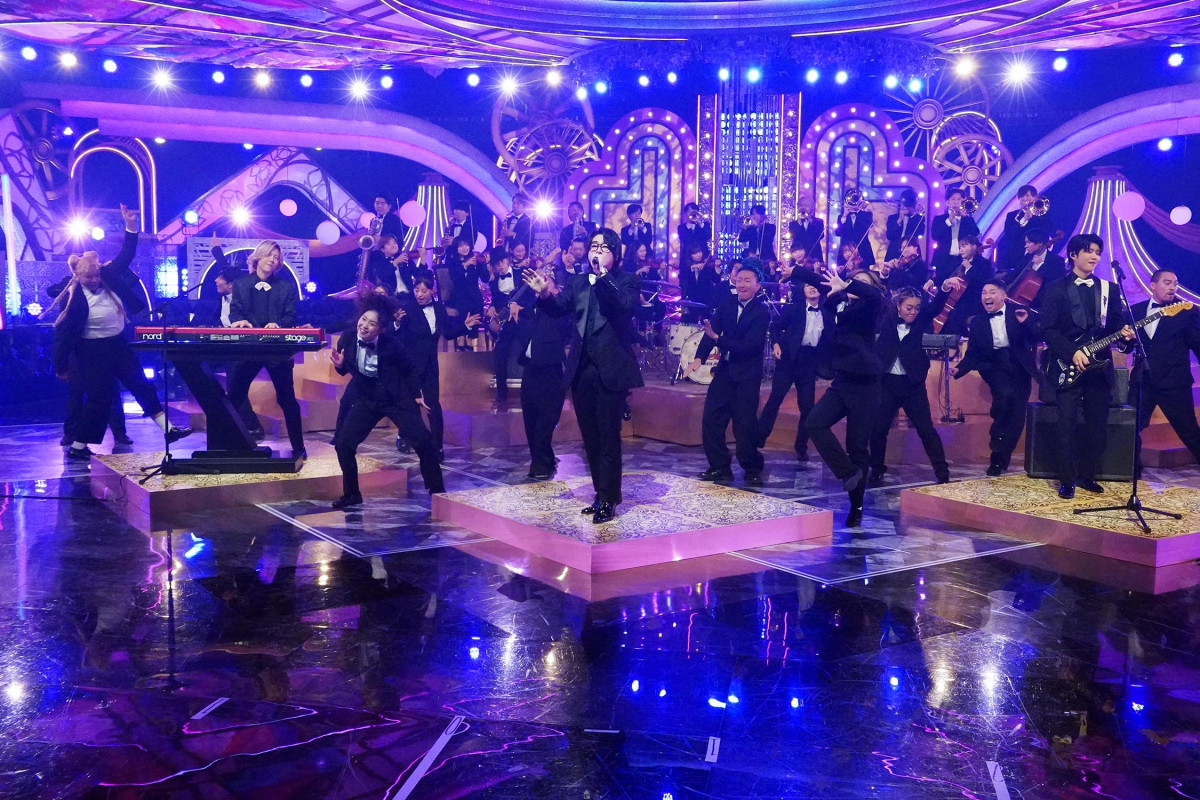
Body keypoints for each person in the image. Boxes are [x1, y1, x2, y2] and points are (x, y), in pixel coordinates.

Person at [522, 228, 643, 524]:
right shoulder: (577, 281)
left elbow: (623, 305)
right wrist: (545, 293)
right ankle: (599, 494)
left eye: (603, 247)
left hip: (611, 369)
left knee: (608, 436)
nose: (596, 251)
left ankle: (609, 498)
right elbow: (558, 309)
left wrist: (603, 277)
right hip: (581, 369)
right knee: (590, 437)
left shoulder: (626, 280)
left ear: (615, 254)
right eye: (593, 246)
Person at [52, 203, 192, 459]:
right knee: (100, 400)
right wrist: (61, 366)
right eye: (89, 278)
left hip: (117, 345)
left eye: (97, 276)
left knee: (142, 385)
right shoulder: (72, 297)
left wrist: (130, 226)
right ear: (78, 276)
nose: (95, 280)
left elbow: (127, 254)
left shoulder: (108, 276)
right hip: (91, 351)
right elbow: (62, 335)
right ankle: (78, 447)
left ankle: (168, 430)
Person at [1039, 234, 1135, 498]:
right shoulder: (1056, 288)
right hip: (1066, 364)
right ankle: (1067, 479)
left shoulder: (1109, 289)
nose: (1094, 256)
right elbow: (1048, 329)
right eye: (1089, 251)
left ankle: (1087, 475)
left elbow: (1115, 326)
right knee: (1066, 424)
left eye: (1097, 252)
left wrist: (1125, 337)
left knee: (1097, 423)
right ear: (1073, 255)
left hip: (1099, 367)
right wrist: (1072, 353)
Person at [792, 264, 886, 527]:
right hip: (843, 381)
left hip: (866, 386)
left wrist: (850, 285)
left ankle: (857, 506)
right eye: (854, 279)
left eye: (862, 281)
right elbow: (824, 282)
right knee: (814, 422)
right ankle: (847, 472)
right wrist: (797, 271)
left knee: (857, 448)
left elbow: (873, 295)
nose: (856, 283)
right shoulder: (839, 304)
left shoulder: (871, 307)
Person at [331, 295, 445, 508]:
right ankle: (352, 494)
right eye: (363, 320)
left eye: (371, 323)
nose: (364, 326)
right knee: (344, 444)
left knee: (423, 441)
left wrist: (417, 394)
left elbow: (409, 369)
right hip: (367, 398)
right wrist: (339, 366)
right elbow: (346, 368)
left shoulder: (391, 344)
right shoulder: (347, 338)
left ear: (380, 329)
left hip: (396, 397)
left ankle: (437, 489)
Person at [685, 263, 769, 485]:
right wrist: (699, 358)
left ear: (757, 286)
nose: (742, 284)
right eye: (739, 279)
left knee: (744, 424)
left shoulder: (762, 313)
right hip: (724, 372)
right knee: (711, 419)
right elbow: (710, 331)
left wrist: (718, 339)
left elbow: (748, 347)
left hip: (747, 375)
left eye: (747, 280)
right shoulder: (727, 303)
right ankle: (719, 466)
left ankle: (752, 467)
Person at [226, 240, 307, 459]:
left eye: (277, 257)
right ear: (258, 257)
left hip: (276, 350)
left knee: (287, 399)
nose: (273, 259)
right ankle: (230, 444)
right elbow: (235, 312)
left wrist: (278, 325)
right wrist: (239, 321)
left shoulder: (285, 287)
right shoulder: (241, 284)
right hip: (249, 349)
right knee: (234, 396)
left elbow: (291, 317)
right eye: (270, 254)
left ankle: (299, 447)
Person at [953, 280, 1042, 476]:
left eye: (992, 292)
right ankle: (996, 450)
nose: (987, 296)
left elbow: (1038, 336)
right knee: (1005, 397)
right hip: (994, 365)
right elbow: (973, 352)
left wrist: (1026, 322)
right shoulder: (977, 321)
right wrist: (959, 368)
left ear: (1003, 295)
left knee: (1017, 414)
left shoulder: (1019, 312)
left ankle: (1002, 457)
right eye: (984, 293)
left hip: (1019, 366)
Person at [869, 287, 952, 485]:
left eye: (916, 308)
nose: (913, 312)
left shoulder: (921, 319)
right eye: (909, 307)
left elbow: (936, 307)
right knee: (878, 429)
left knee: (926, 430)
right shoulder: (885, 319)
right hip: (887, 383)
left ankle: (942, 471)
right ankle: (876, 469)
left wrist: (944, 290)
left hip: (912, 385)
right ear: (898, 306)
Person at [398, 274, 480, 460]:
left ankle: (438, 447)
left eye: (423, 291)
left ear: (432, 291)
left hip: (430, 366)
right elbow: (398, 336)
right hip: (410, 366)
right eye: (416, 290)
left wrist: (465, 326)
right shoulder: (407, 309)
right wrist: (396, 323)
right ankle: (403, 436)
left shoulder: (439, 308)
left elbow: (448, 333)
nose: (419, 294)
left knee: (433, 406)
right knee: (409, 404)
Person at [1130, 269, 1200, 467]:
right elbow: (1126, 345)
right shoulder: (1135, 311)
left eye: (1175, 284)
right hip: (1143, 380)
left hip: (1174, 381)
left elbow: (1197, 343)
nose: (1172, 288)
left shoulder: (1185, 311)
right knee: (1130, 426)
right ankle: (1133, 468)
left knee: (1188, 430)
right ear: (1153, 285)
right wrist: (1125, 341)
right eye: (1167, 283)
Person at [757, 279, 831, 462]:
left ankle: (801, 446)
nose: (812, 287)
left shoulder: (827, 311)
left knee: (807, 407)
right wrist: (776, 344)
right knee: (775, 399)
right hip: (789, 359)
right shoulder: (793, 309)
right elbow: (775, 326)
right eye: (808, 285)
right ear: (802, 290)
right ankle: (758, 438)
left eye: (814, 285)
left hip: (809, 361)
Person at [192, 263, 265, 439]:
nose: (216, 280)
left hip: (244, 349)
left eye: (221, 278)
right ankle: (245, 425)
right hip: (229, 348)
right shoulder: (223, 300)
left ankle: (252, 427)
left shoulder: (243, 302)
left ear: (231, 284)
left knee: (235, 388)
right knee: (228, 385)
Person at [519, 265, 573, 480]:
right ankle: (544, 458)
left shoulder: (561, 309)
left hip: (551, 369)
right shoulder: (531, 308)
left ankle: (541, 464)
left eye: (545, 281)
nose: (539, 285)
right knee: (530, 417)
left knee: (547, 417)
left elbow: (553, 308)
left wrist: (545, 294)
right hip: (530, 368)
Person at [486, 247, 527, 405]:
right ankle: (501, 392)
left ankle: (530, 388)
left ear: (508, 260)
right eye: (497, 264)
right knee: (500, 353)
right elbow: (496, 302)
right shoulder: (493, 282)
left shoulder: (521, 274)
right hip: (506, 323)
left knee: (530, 351)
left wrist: (519, 306)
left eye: (502, 262)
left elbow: (531, 299)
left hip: (523, 319)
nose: (500, 266)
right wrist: (492, 308)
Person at [929, 234, 992, 336]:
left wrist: (969, 268)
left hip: (972, 301)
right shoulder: (958, 262)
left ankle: (955, 341)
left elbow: (983, 282)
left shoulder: (984, 263)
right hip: (956, 300)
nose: (961, 250)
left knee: (954, 315)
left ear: (974, 246)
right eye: (960, 247)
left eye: (964, 246)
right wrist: (931, 281)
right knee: (935, 307)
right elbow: (945, 275)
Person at [999, 229, 1066, 309]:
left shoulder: (1057, 261)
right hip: (1024, 302)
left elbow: (1058, 281)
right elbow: (1016, 272)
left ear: (1040, 243)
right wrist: (1001, 283)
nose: (1025, 246)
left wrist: (1040, 265)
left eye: (1028, 242)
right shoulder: (1028, 257)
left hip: (1044, 305)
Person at [1000, 184, 1051, 274]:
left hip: (1036, 254)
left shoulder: (1042, 215)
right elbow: (1009, 235)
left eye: (1028, 196)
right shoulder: (1011, 216)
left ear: (1035, 198)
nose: (1025, 198)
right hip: (1015, 255)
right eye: (1022, 196)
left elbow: (1047, 231)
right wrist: (1024, 219)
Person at [930, 189, 980, 278]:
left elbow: (975, 233)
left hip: (962, 259)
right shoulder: (939, 219)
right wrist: (949, 219)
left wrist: (965, 218)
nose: (956, 202)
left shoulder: (968, 220)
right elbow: (935, 235)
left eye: (959, 199)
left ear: (963, 201)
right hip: (944, 259)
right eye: (953, 199)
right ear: (947, 202)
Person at [884, 188, 926, 261]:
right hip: (894, 251)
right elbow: (889, 235)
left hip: (911, 252)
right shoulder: (892, 218)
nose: (907, 207)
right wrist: (900, 219)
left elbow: (920, 233)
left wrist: (913, 215)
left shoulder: (919, 218)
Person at [835, 196, 874, 267]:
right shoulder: (841, 217)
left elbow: (866, 227)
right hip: (846, 251)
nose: (853, 203)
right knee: (844, 272)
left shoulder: (866, 215)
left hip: (863, 249)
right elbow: (838, 233)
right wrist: (844, 216)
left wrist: (861, 210)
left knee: (864, 271)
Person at [787, 197, 825, 265]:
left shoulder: (819, 222)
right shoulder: (793, 224)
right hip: (798, 257)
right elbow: (795, 237)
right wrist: (799, 223)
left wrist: (809, 221)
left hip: (814, 256)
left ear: (812, 208)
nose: (803, 208)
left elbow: (820, 236)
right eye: (801, 205)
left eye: (806, 206)